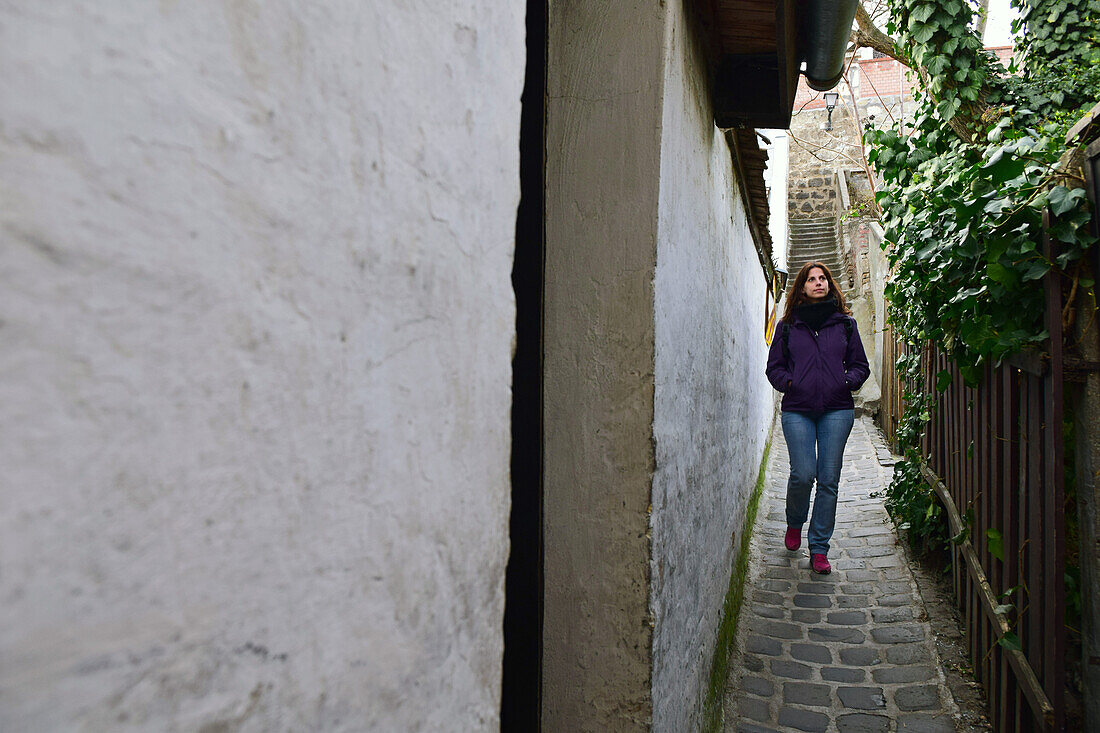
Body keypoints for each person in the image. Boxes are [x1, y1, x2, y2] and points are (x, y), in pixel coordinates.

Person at [765, 262, 870, 574]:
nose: (818, 282)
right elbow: (774, 367)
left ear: (829, 284)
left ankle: (820, 548)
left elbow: (860, 365)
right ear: (802, 287)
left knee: (828, 480)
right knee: (802, 474)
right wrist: (790, 384)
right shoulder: (787, 327)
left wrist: (846, 381)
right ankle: (795, 522)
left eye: (823, 278)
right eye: (811, 279)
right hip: (798, 409)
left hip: (836, 410)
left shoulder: (845, 325)